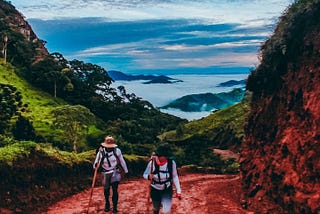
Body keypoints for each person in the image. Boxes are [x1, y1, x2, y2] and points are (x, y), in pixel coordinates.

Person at [93, 136, 128, 214]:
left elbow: (122, 161)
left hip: (115, 172)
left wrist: (126, 171)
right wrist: (95, 165)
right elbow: (96, 162)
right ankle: (107, 203)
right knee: (106, 190)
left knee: (115, 190)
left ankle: (115, 207)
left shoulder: (117, 151)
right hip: (105, 172)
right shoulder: (100, 152)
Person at [143, 143, 182, 214]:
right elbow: (144, 174)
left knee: (166, 211)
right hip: (155, 189)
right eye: (163, 156)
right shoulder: (152, 163)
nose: (165, 158)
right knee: (155, 208)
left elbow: (175, 176)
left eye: (166, 156)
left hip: (167, 189)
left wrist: (178, 190)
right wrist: (148, 176)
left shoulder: (171, 163)